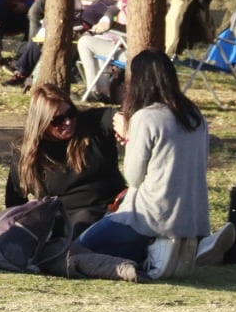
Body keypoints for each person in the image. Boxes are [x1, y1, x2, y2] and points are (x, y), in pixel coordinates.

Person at [74, 49, 220, 279]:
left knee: (80, 248)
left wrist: (128, 135)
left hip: (148, 215)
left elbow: (133, 177)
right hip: (192, 216)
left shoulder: (146, 117)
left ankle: (156, 252)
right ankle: (182, 247)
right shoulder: (195, 115)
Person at [6, 85, 126, 239]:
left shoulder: (90, 124)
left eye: (71, 113)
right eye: (58, 120)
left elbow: (112, 116)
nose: (68, 122)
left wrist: (124, 123)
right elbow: (14, 202)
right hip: (67, 223)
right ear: (41, 123)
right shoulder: (26, 154)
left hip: (113, 208)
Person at [77, 0, 129, 101]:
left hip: (132, 52)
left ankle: (94, 91)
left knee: (85, 42)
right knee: (97, 39)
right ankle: (102, 90)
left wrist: (107, 25)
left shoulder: (133, 1)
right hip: (128, 46)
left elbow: (131, 29)